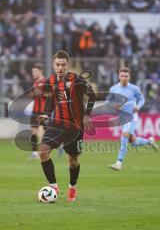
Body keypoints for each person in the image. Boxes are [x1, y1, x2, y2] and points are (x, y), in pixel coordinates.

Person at [37, 50, 96, 201]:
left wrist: (87, 115)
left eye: (63, 65)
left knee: (73, 161)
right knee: (43, 152)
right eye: (58, 65)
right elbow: (52, 99)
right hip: (56, 124)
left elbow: (92, 95)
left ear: (68, 65)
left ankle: (72, 188)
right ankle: (53, 186)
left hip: (74, 128)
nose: (61, 68)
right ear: (53, 65)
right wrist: (45, 113)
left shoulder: (77, 80)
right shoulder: (52, 82)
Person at [108, 67, 158, 171]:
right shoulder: (113, 89)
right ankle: (149, 141)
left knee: (125, 135)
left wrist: (138, 107)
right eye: (122, 76)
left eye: (126, 76)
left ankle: (119, 162)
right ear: (119, 76)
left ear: (129, 77)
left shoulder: (134, 88)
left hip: (132, 117)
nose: (124, 78)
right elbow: (109, 101)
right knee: (133, 141)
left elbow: (142, 99)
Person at [30, 63, 46, 159]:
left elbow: (46, 94)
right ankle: (35, 152)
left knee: (46, 132)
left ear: (40, 71)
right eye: (32, 72)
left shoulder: (45, 82)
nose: (33, 73)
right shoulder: (35, 83)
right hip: (35, 111)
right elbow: (34, 94)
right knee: (34, 131)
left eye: (35, 71)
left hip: (44, 111)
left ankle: (45, 151)